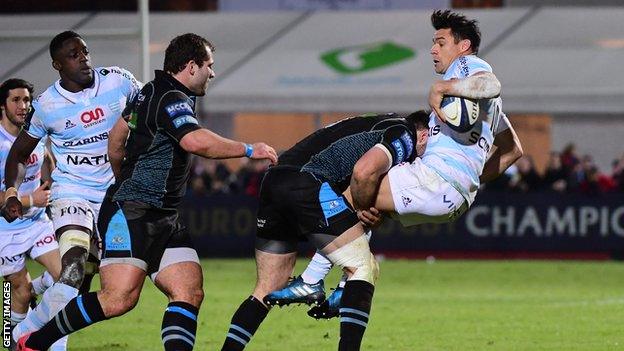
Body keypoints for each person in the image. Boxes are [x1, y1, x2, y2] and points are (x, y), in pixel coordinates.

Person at [14, 32, 278, 351]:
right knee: (117, 299)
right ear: (191, 66)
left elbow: (116, 138)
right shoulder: (171, 98)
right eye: (210, 65)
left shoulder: (147, 89)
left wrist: (119, 178)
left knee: (188, 290)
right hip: (133, 212)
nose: (213, 72)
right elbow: (194, 141)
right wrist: (250, 149)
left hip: (160, 213)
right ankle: (35, 342)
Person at [267, 9, 524, 320]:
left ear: (463, 45)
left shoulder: (467, 67)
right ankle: (343, 286)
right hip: (456, 196)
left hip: (436, 179)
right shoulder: (489, 107)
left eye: (440, 42)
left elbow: (491, 81)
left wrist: (442, 87)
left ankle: (313, 281)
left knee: (354, 191)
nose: (433, 49)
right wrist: (467, 180)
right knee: (372, 210)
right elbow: (513, 151)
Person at [220, 110, 430, 351]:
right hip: (307, 183)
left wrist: (363, 209)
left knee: (267, 288)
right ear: (423, 135)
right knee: (363, 267)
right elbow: (364, 175)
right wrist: (364, 208)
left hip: (274, 182)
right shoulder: (404, 134)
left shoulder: (374, 122)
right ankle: (322, 285)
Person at [2, 31, 142, 346]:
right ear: (57, 64)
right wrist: (13, 191)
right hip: (72, 192)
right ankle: (26, 336)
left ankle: (35, 304)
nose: (83, 58)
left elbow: (149, 110)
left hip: (114, 194)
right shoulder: (47, 105)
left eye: (84, 51)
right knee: (74, 266)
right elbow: (20, 154)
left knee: (88, 283)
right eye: (73, 54)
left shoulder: (119, 81)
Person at [0, 78, 68, 350]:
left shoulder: (35, 134)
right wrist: (31, 199)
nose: (23, 106)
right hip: (5, 229)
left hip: (38, 223)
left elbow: (47, 160)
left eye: (27, 100)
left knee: (67, 278)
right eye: (16, 100)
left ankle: (56, 346)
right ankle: (9, 341)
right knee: (18, 291)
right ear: (2, 106)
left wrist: (51, 181)